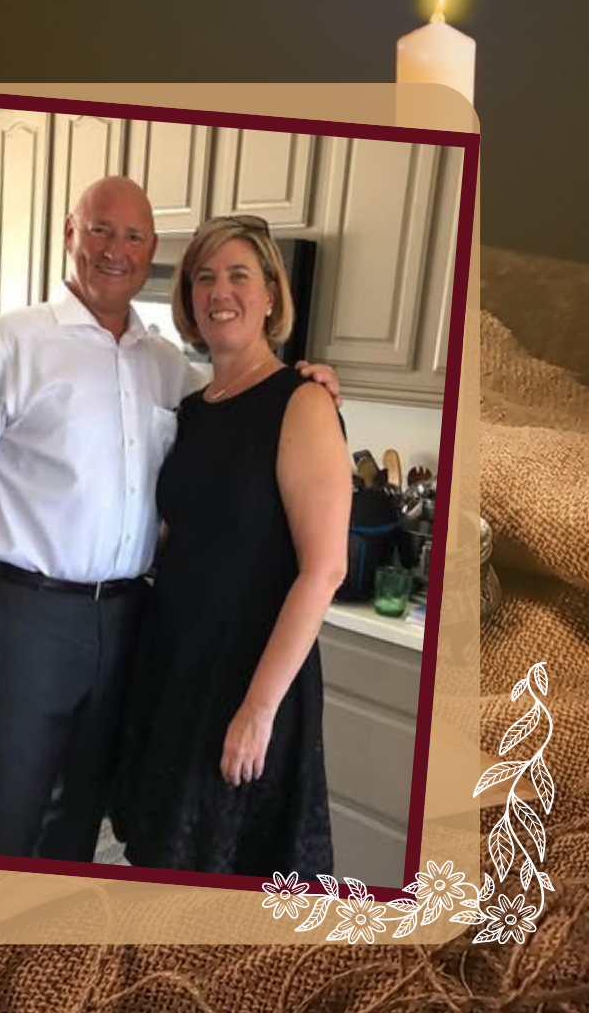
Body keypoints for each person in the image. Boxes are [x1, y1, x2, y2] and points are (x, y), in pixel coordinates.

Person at [0, 177, 335, 864]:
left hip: (132, 621)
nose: (116, 250)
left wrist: (312, 385)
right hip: (27, 612)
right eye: (101, 230)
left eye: (135, 236)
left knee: (82, 810)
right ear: (69, 234)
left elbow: (233, 447)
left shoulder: (169, 370)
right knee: (9, 813)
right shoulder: (6, 344)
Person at [111, 214, 349, 876]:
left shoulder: (301, 403)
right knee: (163, 858)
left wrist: (258, 709)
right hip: (178, 666)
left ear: (271, 293)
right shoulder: (193, 409)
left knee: (228, 869)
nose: (220, 291)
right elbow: (182, 534)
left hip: (250, 674)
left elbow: (325, 569)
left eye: (239, 275)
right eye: (204, 278)